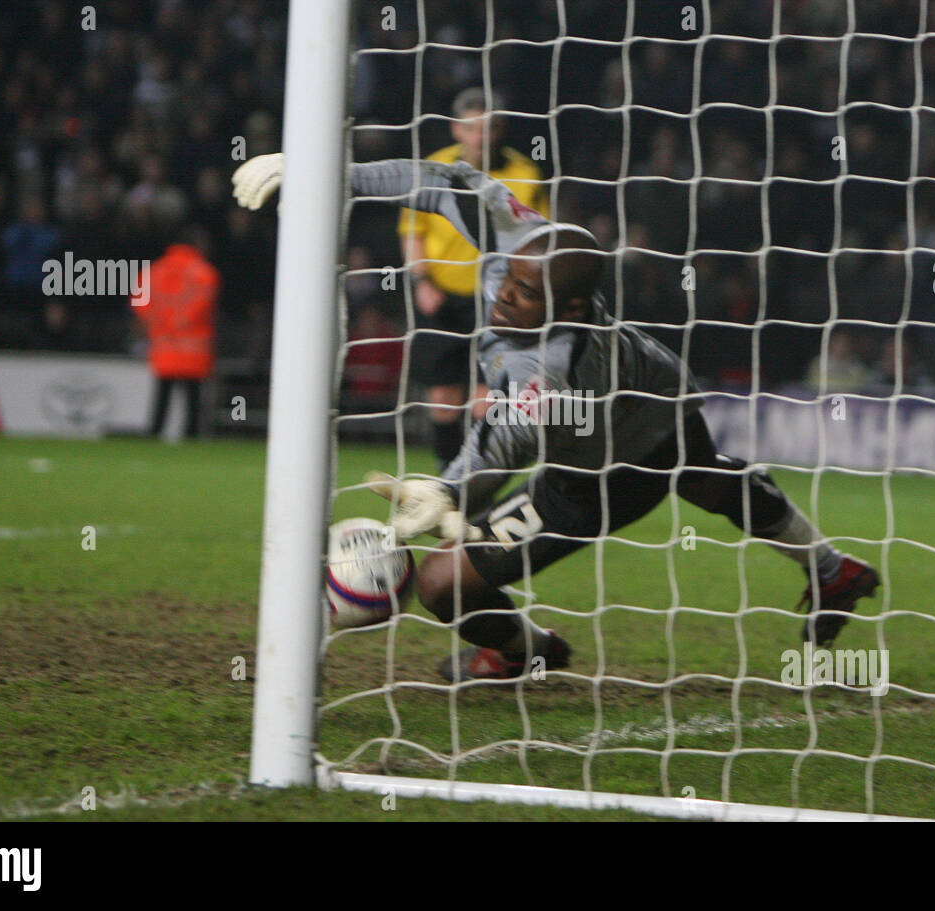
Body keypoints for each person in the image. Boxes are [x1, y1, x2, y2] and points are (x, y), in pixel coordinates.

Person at [232, 154, 879, 681]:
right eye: (508, 279)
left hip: (602, 471)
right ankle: (831, 567)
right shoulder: (520, 236)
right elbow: (442, 180)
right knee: (706, 476)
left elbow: (509, 436)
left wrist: (450, 488)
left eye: (525, 293)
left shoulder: (551, 367)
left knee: (439, 580)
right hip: (658, 389)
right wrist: (326, 174)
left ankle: (522, 651)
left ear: (569, 308)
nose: (504, 294)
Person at [398, 88, 550, 470]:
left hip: (498, 299)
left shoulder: (526, 174)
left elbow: (538, 239)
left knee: (489, 396)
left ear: (500, 130)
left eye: (489, 127)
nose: (481, 136)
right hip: (444, 295)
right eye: (473, 128)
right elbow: (412, 230)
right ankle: (446, 475)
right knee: (443, 394)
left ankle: (474, 477)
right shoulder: (435, 169)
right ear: (456, 130)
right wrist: (422, 282)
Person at [132, 227, 220, 439]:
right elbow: (203, 304)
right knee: (193, 396)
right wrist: (180, 321)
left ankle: (155, 430)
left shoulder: (153, 271)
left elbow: (139, 301)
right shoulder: (203, 272)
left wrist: (157, 322)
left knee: (163, 393)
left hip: (163, 343)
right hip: (193, 347)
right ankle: (190, 434)